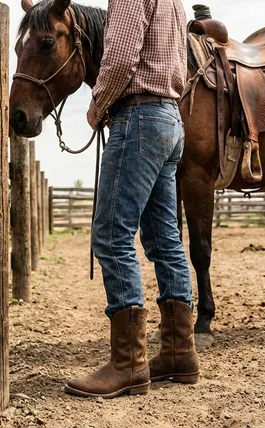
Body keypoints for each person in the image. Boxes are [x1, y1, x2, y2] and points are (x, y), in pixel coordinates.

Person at [64, 0, 199, 398]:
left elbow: (120, 56)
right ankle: (179, 351)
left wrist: (96, 106)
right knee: (165, 240)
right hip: (170, 118)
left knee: (110, 236)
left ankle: (128, 362)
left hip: (138, 117)